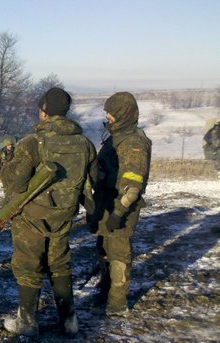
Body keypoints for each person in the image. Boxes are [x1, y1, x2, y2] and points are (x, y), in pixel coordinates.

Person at [0, 87, 97, 337]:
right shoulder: (85, 144)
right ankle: (69, 321)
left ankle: (26, 321)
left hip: (31, 218)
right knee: (59, 265)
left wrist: (7, 166)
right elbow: (92, 183)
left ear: (44, 112)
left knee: (29, 266)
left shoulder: (32, 142)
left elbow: (13, 183)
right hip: (64, 216)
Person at [88, 92, 151, 317]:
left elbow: (133, 185)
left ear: (123, 114)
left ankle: (117, 303)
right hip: (106, 202)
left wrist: (118, 213)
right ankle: (105, 294)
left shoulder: (133, 141)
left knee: (118, 255)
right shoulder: (116, 136)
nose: (107, 116)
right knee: (104, 251)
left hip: (120, 207)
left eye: (111, 112)